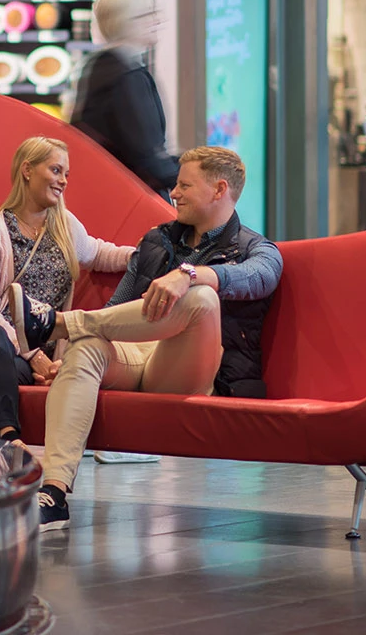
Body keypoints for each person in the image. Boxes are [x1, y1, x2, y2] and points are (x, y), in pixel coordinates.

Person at [34, 146, 282, 531]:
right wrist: (64, 359)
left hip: (193, 370)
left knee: (200, 297)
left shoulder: (258, 250)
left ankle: (58, 323)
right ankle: (54, 493)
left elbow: (257, 279)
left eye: (184, 185)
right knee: (87, 346)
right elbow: (116, 310)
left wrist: (188, 274)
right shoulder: (156, 240)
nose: (174, 193)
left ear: (219, 190)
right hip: (137, 357)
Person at [0, 137, 135, 443]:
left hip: (17, 357)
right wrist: (34, 354)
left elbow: (101, 253)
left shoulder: (64, 226)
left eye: (66, 174)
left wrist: (150, 255)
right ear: (27, 170)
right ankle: (10, 434)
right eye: (55, 170)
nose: (63, 180)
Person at [71, 0, 180, 196]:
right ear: (125, 22)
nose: (157, 20)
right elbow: (145, 155)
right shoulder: (126, 76)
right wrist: (190, 177)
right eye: (148, 14)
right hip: (135, 199)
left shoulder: (100, 65)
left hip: (110, 194)